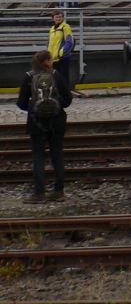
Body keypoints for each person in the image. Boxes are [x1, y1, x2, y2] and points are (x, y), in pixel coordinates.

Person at [16, 50, 72, 203]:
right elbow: (68, 99)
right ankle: (59, 191)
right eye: (51, 59)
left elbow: (20, 103)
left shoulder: (28, 76)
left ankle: (39, 193)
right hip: (57, 121)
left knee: (38, 157)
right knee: (57, 155)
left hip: (36, 123)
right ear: (46, 61)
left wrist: (35, 108)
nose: (52, 61)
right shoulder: (56, 75)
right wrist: (56, 106)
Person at [47, 10, 74, 89]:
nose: (58, 18)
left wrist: (61, 52)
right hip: (53, 58)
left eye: (60, 17)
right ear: (53, 18)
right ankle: (58, 92)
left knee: (64, 77)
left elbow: (69, 41)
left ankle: (65, 92)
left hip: (62, 57)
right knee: (55, 77)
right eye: (56, 17)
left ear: (63, 18)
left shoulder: (65, 27)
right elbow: (49, 43)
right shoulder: (52, 29)